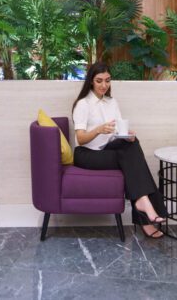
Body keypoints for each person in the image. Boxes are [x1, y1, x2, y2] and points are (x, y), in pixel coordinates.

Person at [72, 62, 168, 238]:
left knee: (132, 143)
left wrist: (126, 135)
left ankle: (143, 202)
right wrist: (98, 130)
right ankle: (145, 213)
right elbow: (80, 138)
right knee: (129, 157)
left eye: (107, 80)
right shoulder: (83, 104)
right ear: (91, 81)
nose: (104, 85)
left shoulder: (112, 102)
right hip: (86, 154)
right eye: (99, 81)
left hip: (108, 148)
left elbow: (117, 131)